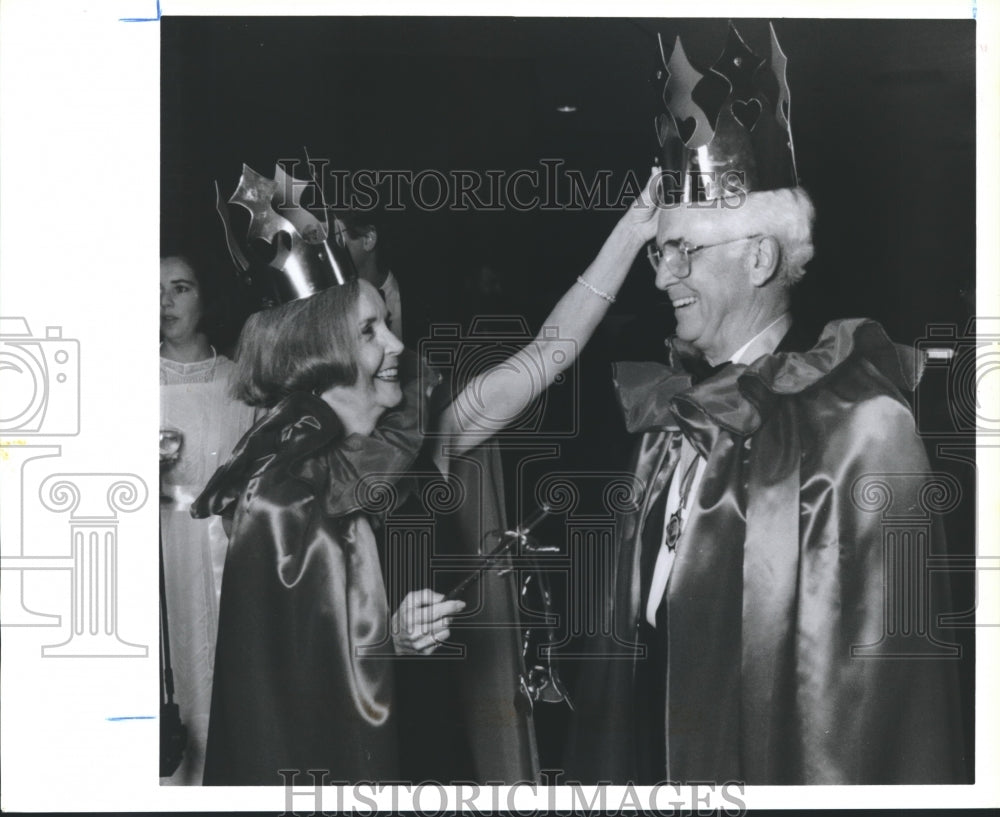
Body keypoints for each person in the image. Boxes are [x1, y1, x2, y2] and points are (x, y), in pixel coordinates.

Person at [564, 23, 967, 784]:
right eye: (661, 249)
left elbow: (872, 721)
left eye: (685, 249)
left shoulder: (865, 431)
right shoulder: (667, 427)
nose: (662, 275)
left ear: (760, 255)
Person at [192, 162, 659, 785]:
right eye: (370, 330)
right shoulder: (279, 490)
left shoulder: (415, 432)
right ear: (322, 352)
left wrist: (630, 233)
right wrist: (386, 643)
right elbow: (283, 685)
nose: (396, 344)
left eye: (385, 321)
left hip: (442, 740)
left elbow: (547, 356)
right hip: (360, 766)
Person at [159, 254, 258, 785]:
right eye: (156, 291)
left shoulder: (238, 380)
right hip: (159, 543)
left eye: (180, 288)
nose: (165, 302)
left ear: (204, 296)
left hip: (225, 544)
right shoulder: (130, 378)